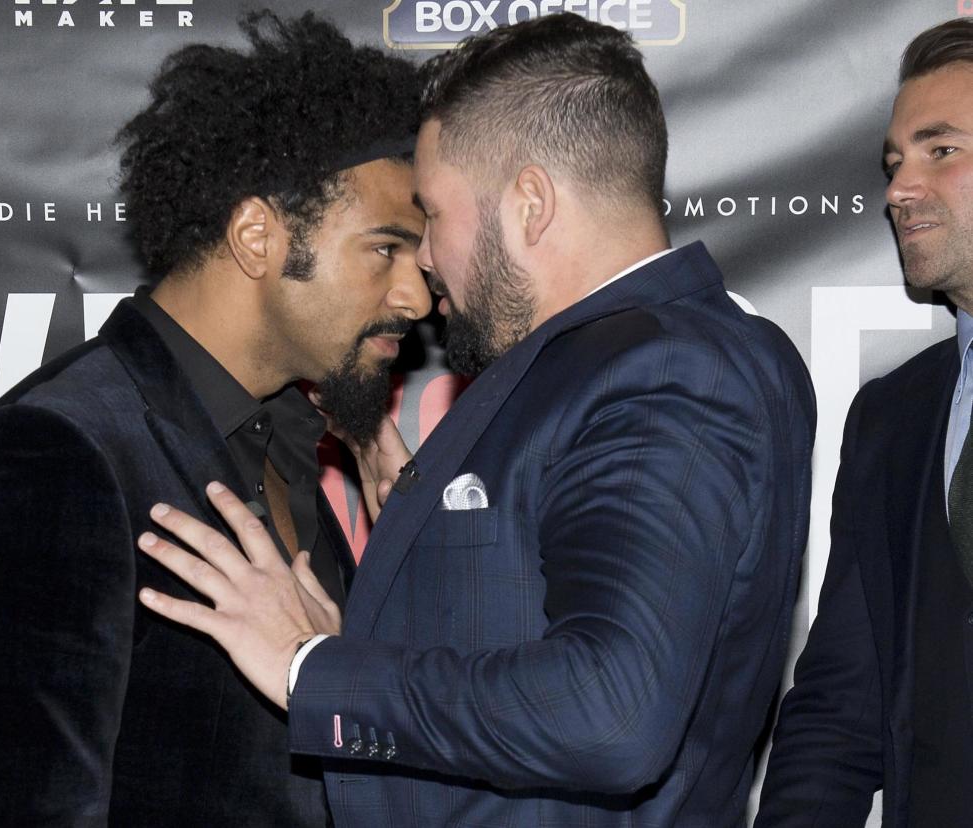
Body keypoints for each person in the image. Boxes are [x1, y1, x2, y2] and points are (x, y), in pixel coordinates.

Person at [136, 12, 817, 827]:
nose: (424, 261)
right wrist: (356, 651)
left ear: (529, 203)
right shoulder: (606, 361)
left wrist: (309, 670)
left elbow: (609, 716)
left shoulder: (668, 370)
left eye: (434, 213)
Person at [0, 11, 430, 827]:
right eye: (385, 249)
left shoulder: (294, 446)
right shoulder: (55, 453)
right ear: (259, 236)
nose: (416, 296)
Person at [757, 18, 973, 826]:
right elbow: (838, 709)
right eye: (893, 163)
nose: (898, 189)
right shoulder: (893, 414)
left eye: (940, 150)